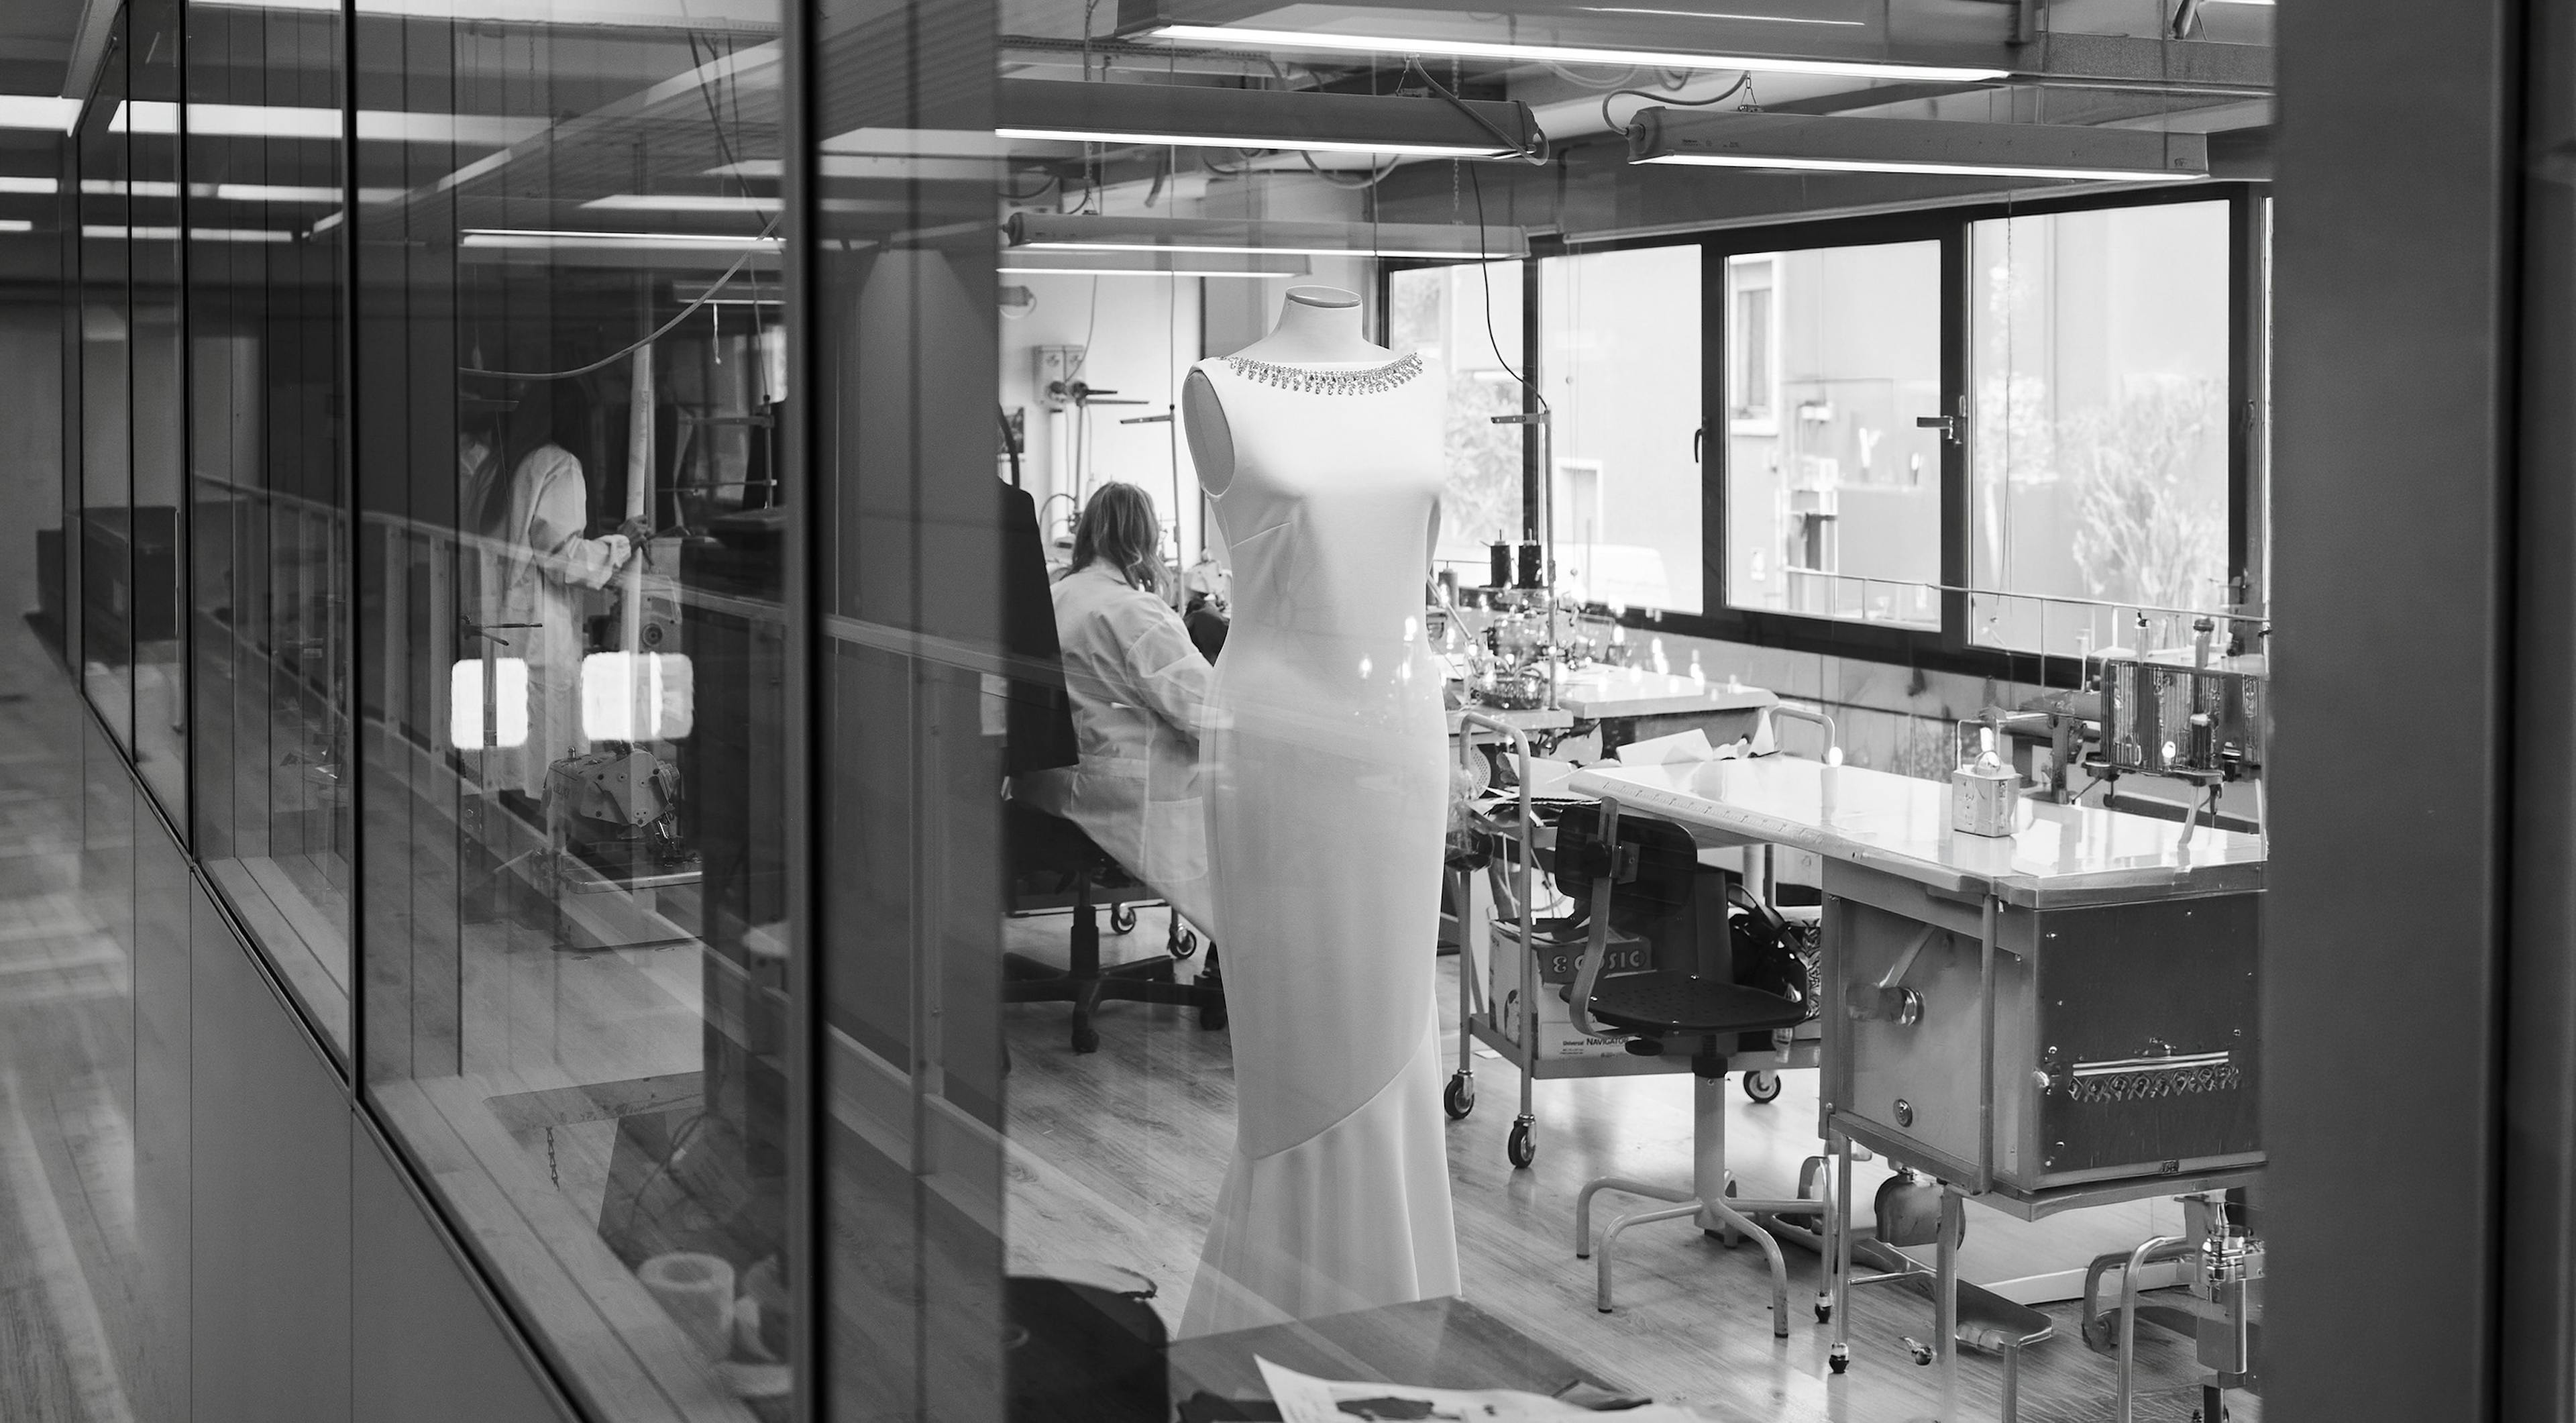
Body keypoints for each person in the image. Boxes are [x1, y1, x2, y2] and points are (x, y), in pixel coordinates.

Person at [1014, 482, 1217, 933]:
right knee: (1250, 809)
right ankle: (1244, 962)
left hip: (1046, 786)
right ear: (1144, 540)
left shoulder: (1053, 597)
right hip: (1117, 797)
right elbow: (1205, 712)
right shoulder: (1134, 612)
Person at [493, 384, 637, 800]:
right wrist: (622, 542)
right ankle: (549, 849)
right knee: (547, 756)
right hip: (541, 630)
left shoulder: (510, 463)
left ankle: (522, 839)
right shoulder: (559, 464)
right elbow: (563, 559)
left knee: (516, 757)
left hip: (508, 624)